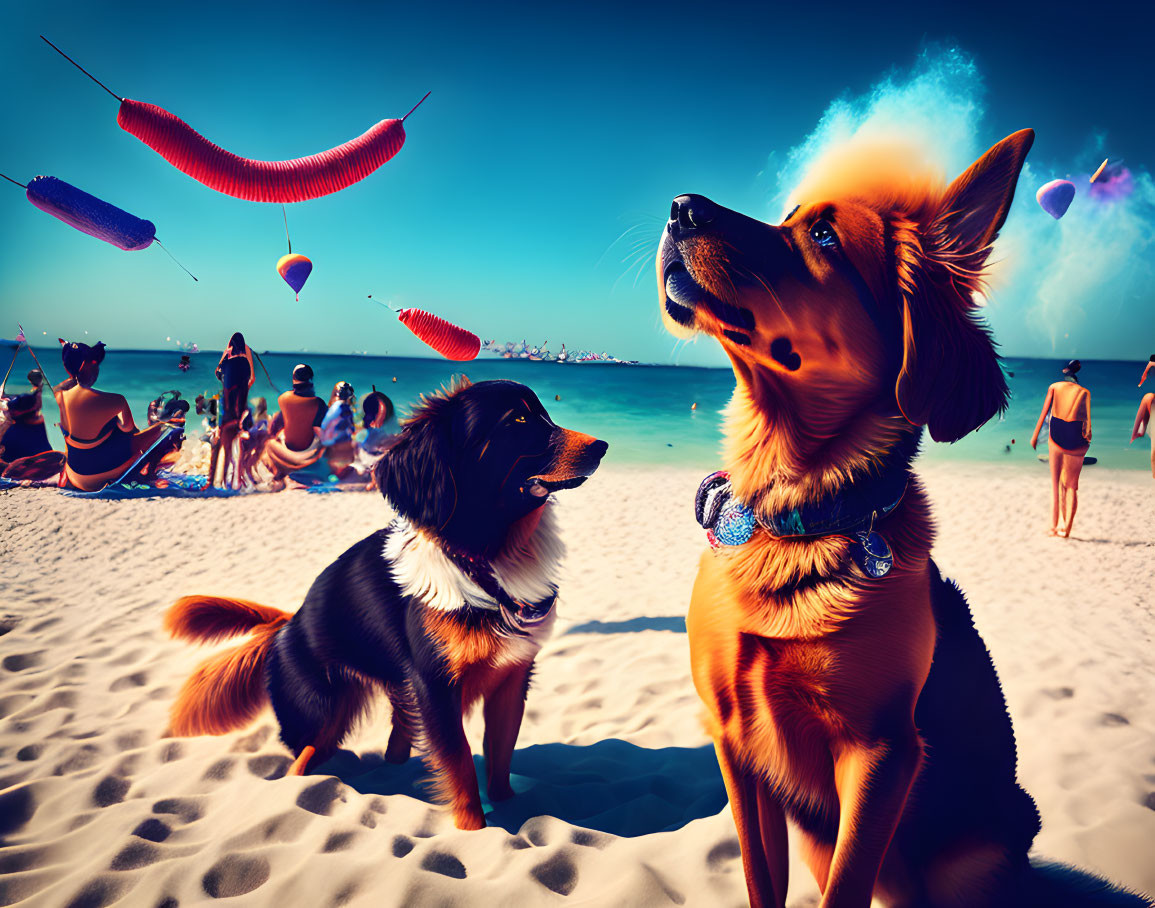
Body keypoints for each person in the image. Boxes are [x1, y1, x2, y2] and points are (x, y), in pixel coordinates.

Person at [55, 341, 183, 491]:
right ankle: (150, 468)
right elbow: (130, 433)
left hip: (76, 478)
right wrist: (160, 426)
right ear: (85, 365)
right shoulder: (115, 401)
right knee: (172, 425)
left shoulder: (58, 396)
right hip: (105, 476)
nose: (97, 368)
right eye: (94, 363)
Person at [1031, 360, 1091, 538]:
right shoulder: (1084, 392)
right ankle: (1068, 530)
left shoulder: (1055, 387)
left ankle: (1054, 526)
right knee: (1071, 486)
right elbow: (1087, 424)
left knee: (1055, 485)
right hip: (1076, 437)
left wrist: (1035, 436)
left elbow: (1044, 412)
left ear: (1065, 371)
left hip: (1057, 432)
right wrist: (1087, 437)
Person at [261, 364, 326, 487]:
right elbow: (322, 429)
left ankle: (283, 472)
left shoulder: (283, 398)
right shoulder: (319, 403)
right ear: (310, 379)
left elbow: (274, 427)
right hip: (310, 451)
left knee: (269, 443)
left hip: (289, 449)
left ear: (294, 379)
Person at [213, 333, 255, 488]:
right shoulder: (245, 362)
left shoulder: (228, 363)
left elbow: (217, 373)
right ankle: (238, 478)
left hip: (228, 407)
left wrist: (226, 355)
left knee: (224, 443)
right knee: (240, 444)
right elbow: (251, 378)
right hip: (241, 405)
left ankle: (220, 480)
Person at [320, 381, 358, 478]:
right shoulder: (340, 407)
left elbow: (324, 424)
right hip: (333, 440)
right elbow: (325, 425)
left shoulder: (337, 406)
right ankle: (339, 470)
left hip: (332, 439)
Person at [1131, 392, 1155, 479]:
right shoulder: (1149, 398)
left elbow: (1141, 416)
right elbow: (1142, 416)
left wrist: (1137, 432)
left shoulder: (1149, 397)